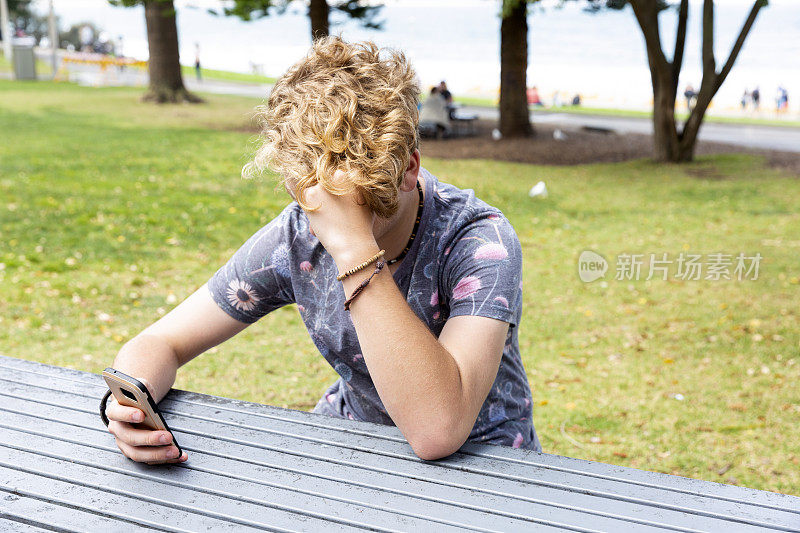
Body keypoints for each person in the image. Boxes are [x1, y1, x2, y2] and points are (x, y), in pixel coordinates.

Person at [103, 37, 542, 465]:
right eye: (311, 186)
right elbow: (161, 341)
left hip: (486, 463)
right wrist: (130, 402)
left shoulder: (480, 242)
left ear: (409, 168)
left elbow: (437, 429)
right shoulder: (298, 233)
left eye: (357, 190)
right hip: (359, 445)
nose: (328, 208)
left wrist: (353, 247)